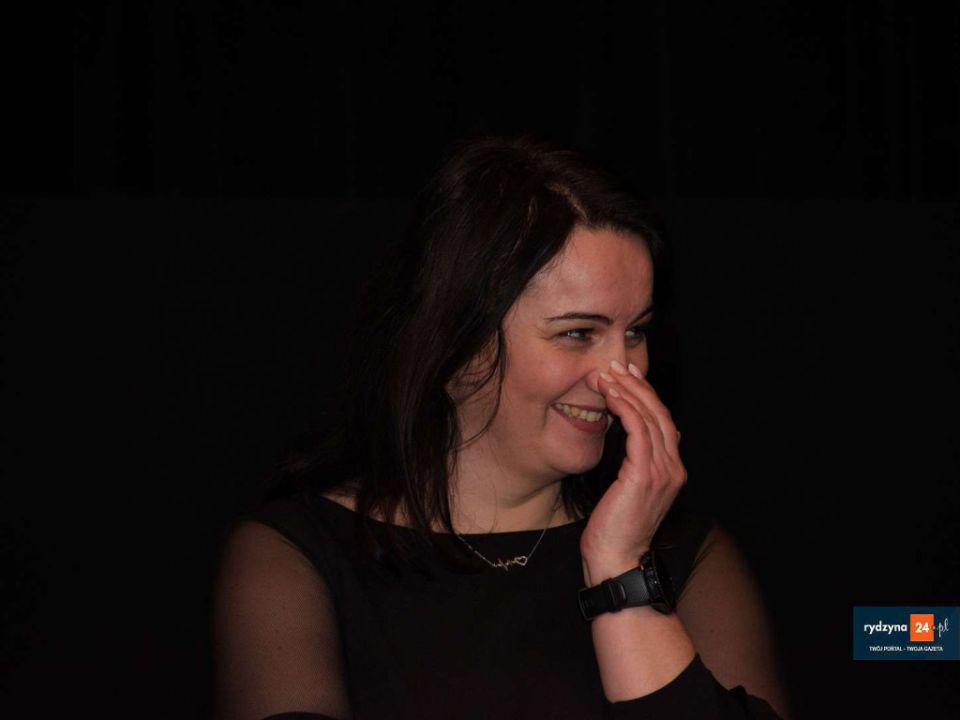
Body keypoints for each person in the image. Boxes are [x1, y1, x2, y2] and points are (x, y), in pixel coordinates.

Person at [212, 136, 793, 719]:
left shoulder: (684, 556)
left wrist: (622, 576)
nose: (623, 372)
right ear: (459, 346)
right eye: (578, 333)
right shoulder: (298, 554)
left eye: (635, 331)